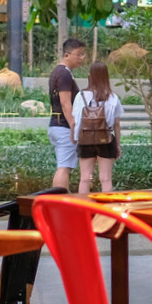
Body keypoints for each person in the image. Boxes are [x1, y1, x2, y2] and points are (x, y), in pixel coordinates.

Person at [71, 61, 123, 195]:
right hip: (106, 140)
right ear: (106, 76)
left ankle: (83, 207)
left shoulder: (80, 96)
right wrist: (117, 145)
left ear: (90, 75)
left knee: (84, 179)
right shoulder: (113, 97)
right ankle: (107, 207)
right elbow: (116, 124)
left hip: (85, 140)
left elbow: (76, 121)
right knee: (106, 179)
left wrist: (75, 137)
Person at [47, 38, 86, 190]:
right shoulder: (64, 74)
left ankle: (58, 199)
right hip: (64, 127)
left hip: (56, 125)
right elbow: (65, 103)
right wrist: (73, 127)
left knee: (63, 166)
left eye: (83, 54)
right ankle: (60, 200)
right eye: (78, 54)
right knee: (64, 168)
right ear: (67, 55)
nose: (82, 58)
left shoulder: (59, 72)